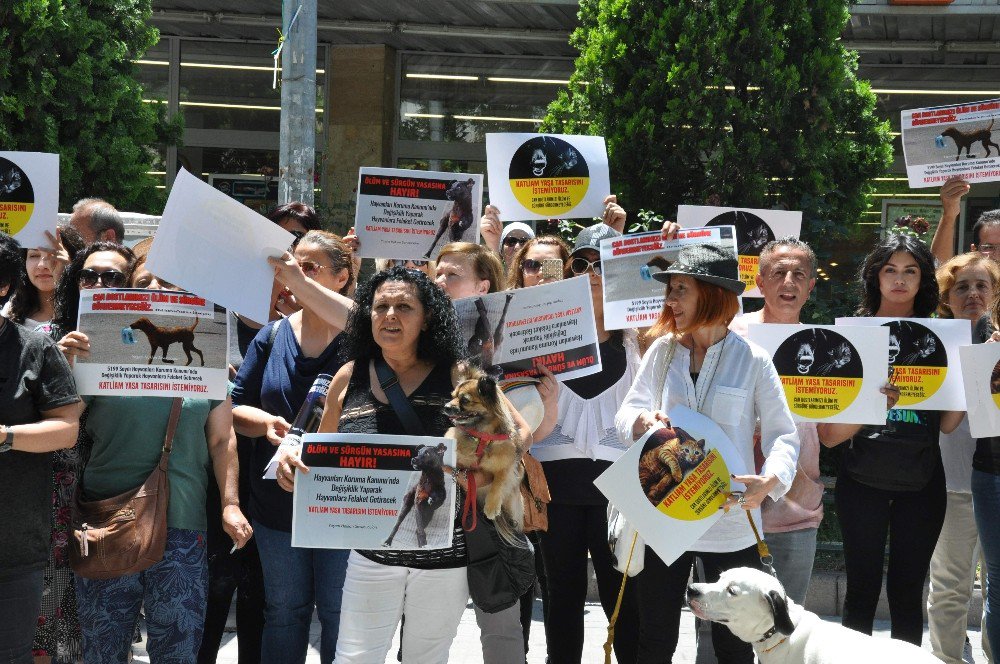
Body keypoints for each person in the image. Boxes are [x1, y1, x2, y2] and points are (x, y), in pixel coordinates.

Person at [274, 266, 531, 664]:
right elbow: (322, 454)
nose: (390, 315)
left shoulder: (456, 374)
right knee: (354, 658)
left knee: (425, 659)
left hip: (445, 558)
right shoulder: (348, 376)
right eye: (381, 307)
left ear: (427, 318)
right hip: (371, 554)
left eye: (404, 307)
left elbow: (520, 433)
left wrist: (476, 468)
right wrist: (296, 464)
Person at [52, 242, 252, 661]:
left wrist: (230, 505)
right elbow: (66, 427)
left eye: (171, 283)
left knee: (177, 651)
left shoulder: (208, 357)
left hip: (183, 527)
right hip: (108, 522)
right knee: (102, 650)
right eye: (145, 282)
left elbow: (222, 439)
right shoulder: (97, 350)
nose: (158, 289)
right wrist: (69, 369)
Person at [615, 242, 800, 664]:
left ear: (712, 293)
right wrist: (641, 423)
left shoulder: (752, 359)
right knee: (655, 637)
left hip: (731, 519)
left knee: (734, 646)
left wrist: (770, 482)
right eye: (670, 289)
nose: (670, 299)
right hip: (665, 515)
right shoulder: (662, 352)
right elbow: (627, 411)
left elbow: (782, 435)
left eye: (681, 288)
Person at [817, 234, 963, 646]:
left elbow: (949, 424)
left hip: (923, 481)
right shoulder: (850, 339)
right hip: (861, 481)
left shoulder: (945, 337)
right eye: (890, 270)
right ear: (875, 277)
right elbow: (829, 437)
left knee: (906, 593)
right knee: (860, 593)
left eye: (911, 271)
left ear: (923, 280)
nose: (900, 280)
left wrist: (971, 378)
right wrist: (871, 408)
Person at [232, 230, 354, 664]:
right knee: (283, 611)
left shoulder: (365, 336)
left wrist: (296, 281)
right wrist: (265, 424)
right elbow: (236, 409)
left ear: (343, 278)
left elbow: (359, 320)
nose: (292, 276)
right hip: (277, 502)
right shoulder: (271, 335)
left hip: (346, 503)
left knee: (342, 614)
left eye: (309, 267)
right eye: (289, 266)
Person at [527, 222, 641, 664]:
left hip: (620, 493)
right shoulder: (539, 338)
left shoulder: (641, 340)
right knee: (561, 604)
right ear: (566, 271)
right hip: (555, 492)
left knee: (623, 604)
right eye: (582, 263)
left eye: (604, 263)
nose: (593, 271)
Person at [0, 232, 82, 664]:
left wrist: (6, 435)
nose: (42, 263)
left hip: (14, 545)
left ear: (3, 287)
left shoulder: (34, 347)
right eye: (34, 256)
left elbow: (66, 427)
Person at [728, 237, 823, 606]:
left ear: (811, 286)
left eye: (799, 274)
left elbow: (829, 436)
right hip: (724, 503)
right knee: (718, 628)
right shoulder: (726, 335)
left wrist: (871, 406)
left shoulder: (825, 346)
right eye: (778, 272)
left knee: (786, 625)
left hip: (795, 509)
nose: (789, 282)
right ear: (759, 281)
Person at [928, 253, 999, 664]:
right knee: (951, 585)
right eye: (961, 287)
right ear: (946, 299)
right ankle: (946, 660)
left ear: (994, 294)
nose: (972, 294)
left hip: (998, 479)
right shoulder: (933, 345)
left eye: (981, 286)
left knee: (999, 588)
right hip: (952, 480)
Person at [2, 227, 84, 329]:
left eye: (53, 255)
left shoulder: (86, 311)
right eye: (34, 255)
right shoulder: (8, 313)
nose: (42, 265)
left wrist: (68, 278)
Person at [929, 176, 1000, 264]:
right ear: (974, 251)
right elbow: (939, 266)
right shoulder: (966, 276)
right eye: (988, 247)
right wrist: (949, 215)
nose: (997, 256)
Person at [505, 235, 571, 291]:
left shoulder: (578, 302)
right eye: (532, 265)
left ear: (565, 270)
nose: (541, 273)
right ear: (521, 270)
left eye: (552, 265)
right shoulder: (505, 304)